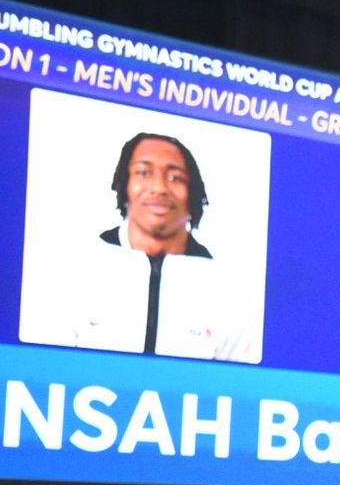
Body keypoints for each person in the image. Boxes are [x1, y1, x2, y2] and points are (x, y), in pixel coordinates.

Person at [71, 132, 255, 362]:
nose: (159, 187)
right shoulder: (75, 270)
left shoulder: (229, 291)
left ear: (193, 192)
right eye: (144, 173)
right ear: (124, 184)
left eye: (175, 177)